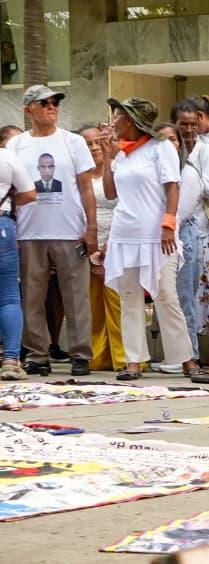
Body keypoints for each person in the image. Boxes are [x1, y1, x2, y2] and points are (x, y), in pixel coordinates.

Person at [100, 98, 201, 381]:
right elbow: (110, 193)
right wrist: (108, 157)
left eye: (117, 116)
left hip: (156, 235)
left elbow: (172, 187)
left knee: (166, 296)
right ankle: (133, 360)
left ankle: (185, 358)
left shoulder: (161, 148)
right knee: (130, 297)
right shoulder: (122, 154)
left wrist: (169, 223)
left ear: (130, 121)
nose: (113, 120)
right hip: (125, 234)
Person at [11, 85, 96, 378]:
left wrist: (91, 227)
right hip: (28, 231)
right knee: (32, 298)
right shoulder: (16, 145)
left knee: (76, 296)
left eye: (54, 102)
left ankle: (80, 354)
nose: (51, 107)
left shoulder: (73, 142)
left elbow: (86, 187)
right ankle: (37, 354)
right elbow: (9, 188)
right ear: (28, 110)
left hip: (69, 229)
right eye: (44, 103)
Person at [171, 101, 209, 368]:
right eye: (184, 124)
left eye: (193, 123)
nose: (189, 129)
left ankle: (205, 355)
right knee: (179, 296)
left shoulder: (205, 151)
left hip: (200, 231)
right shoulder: (169, 150)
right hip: (174, 231)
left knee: (200, 297)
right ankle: (183, 353)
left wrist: (189, 179)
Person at [79, 124, 125, 373]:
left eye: (98, 142)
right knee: (92, 304)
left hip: (116, 241)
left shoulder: (118, 169)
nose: (95, 147)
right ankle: (97, 355)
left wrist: (110, 243)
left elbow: (126, 205)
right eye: (88, 143)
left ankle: (124, 356)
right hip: (88, 242)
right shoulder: (79, 175)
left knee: (118, 302)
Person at [0, 136, 35, 380]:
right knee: (9, 294)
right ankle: (11, 360)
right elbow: (30, 193)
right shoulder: (7, 157)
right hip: (2, 225)